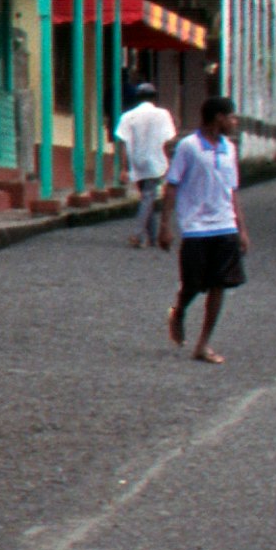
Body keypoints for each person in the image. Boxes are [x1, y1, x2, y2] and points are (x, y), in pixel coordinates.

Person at [164, 94, 244, 363]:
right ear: (218, 118)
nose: (234, 122)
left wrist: (241, 229)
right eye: (231, 117)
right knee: (194, 284)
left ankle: (203, 344)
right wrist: (165, 225)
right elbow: (172, 184)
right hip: (196, 227)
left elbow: (232, 191)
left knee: (219, 285)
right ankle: (179, 311)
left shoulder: (229, 149)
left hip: (225, 225)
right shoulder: (188, 147)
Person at [115, 78, 179, 249]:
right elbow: (169, 140)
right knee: (148, 197)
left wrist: (124, 167)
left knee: (146, 196)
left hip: (137, 161)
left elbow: (123, 143)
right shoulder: (163, 114)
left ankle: (150, 236)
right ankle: (138, 234)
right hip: (156, 160)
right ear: (154, 97)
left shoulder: (128, 116)